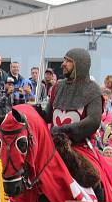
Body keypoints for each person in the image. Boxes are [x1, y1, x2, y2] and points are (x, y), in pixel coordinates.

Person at [39, 48, 105, 187]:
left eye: (68, 61)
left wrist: (64, 129)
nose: (63, 64)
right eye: (64, 60)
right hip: (53, 146)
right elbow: (47, 116)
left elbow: (93, 121)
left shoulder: (92, 90)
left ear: (80, 65)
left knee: (92, 179)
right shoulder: (58, 87)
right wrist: (32, 111)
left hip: (80, 146)